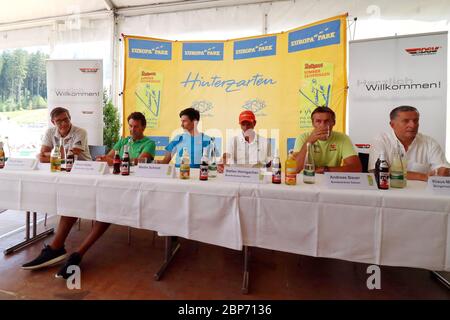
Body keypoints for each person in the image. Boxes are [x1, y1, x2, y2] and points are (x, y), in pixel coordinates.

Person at [23, 107, 109, 279]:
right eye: (59, 121)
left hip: (87, 175)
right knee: (70, 203)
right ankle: (57, 249)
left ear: (70, 118)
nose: (63, 123)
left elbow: (72, 157)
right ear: (53, 122)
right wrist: (53, 155)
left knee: (100, 206)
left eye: (66, 119)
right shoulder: (50, 132)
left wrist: (52, 154)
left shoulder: (80, 132)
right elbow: (41, 157)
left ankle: (70, 253)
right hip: (65, 176)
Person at [368, 105, 450, 181]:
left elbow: (442, 170)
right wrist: (422, 176)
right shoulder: (381, 140)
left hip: (422, 194)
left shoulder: (430, 143)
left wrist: (444, 171)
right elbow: (378, 171)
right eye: (406, 121)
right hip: (389, 192)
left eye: (415, 120)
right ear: (392, 125)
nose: (412, 125)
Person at [293, 106, 362, 173]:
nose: (322, 125)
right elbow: (294, 169)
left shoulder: (343, 138)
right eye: (318, 121)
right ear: (313, 123)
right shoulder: (303, 137)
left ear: (333, 123)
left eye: (327, 121)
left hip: (331, 179)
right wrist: (309, 141)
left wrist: (325, 170)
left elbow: (356, 168)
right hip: (307, 179)